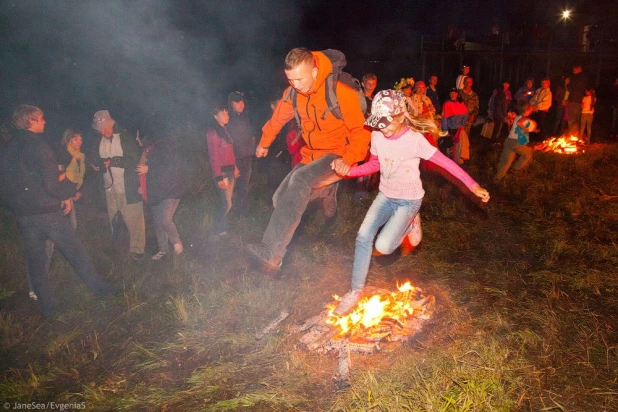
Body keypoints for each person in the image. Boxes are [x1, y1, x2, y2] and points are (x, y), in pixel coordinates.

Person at [333, 90, 490, 315]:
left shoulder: (414, 140)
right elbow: (375, 165)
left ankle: (411, 220)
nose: (382, 128)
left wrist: (473, 186)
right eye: (378, 123)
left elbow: (447, 164)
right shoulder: (377, 136)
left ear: (400, 117)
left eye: (386, 123)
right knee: (363, 236)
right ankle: (355, 292)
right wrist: (349, 171)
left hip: (409, 200)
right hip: (385, 195)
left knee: (384, 246)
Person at [247, 47, 370, 271]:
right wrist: (264, 142)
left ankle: (272, 253)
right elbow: (278, 119)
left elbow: (361, 132)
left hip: (338, 154)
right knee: (280, 200)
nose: (295, 84)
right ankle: (326, 190)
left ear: (314, 70)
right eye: (290, 79)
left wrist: (349, 158)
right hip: (312, 155)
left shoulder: (340, 91)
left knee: (301, 181)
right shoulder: (293, 92)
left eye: (300, 78)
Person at [0, 105, 112, 315]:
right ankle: (102, 290)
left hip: (24, 215)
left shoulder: (7, 148)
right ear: (31, 121)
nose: (45, 122)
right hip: (48, 213)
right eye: (41, 119)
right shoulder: (39, 147)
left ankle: (47, 306)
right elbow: (52, 186)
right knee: (75, 252)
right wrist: (71, 188)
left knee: (36, 259)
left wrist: (17, 205)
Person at [90, 110, 145, 260]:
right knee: (113, 218)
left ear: (111, 123)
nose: (103, 132)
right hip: (109, 187)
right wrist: (95, 164)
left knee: (134, 218)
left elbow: (134, 159)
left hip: (128, 185)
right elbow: (93, 156)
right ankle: (118, 246)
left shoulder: (125, 137)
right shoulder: (98, 140)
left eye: (105, 128)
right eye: (100, 129)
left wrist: (114, 161)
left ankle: (137, 249)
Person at [136, 131, 187, 260]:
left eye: (138, 137)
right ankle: (163, 250)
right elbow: (142, 172)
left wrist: (149, 169)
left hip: (170, 190)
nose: (136, 140)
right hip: (155, 191)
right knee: (158, 222)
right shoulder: (146, 151)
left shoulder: (162, 147)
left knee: (164, 219)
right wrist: (142, 186)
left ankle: (177, 243)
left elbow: (169, 167)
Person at [207, 104, 240, 237]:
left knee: (227, 202)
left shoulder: (225, 130)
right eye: (223, 113)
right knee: (227, 203)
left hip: (230, 171)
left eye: (227, 113)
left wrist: (235, 167)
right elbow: (213, 157)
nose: (227, 116)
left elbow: (230, 152)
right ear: (215, 116)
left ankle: (223, 226)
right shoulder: (212, 132)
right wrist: (219, 177)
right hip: (222, 172)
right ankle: (217, 229)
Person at [227, 91, 255, 219]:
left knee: (244, 187)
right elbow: (229, 145)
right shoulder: (229, 121)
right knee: (232, 189)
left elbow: (251, 136)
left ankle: (241, 214)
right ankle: (228, 214)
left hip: (247, 158)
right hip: (236, 160)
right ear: (231, 104)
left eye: (242, 101)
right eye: (237, 102)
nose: (241, 104)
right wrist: (234, 165)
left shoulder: (245, 117)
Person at [493, 101, 536, 183]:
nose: (531, 110)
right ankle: (516, 168)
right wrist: (526, 128)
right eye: (530, 109)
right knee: (528, 152)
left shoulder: (518, 116)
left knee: (506, 161)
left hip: (509, 141)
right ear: (526, 111)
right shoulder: (523, 119)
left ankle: (497, 178)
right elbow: (521, 124)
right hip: (516, 142)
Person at [58, 128, 86, 230]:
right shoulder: (64, 155)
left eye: (81, 139)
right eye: (76, 139)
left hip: (70, 194)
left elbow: (81, 176)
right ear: (68, 140)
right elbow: (59, 177)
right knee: (65, 226)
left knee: (71, 226)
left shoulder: (80, 156)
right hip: (62, 194)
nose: (79, 142)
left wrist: (78, 191)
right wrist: (67, 194)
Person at [568, 65, 588, 135]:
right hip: (578, 101)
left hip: (574, 101)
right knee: (576, 119)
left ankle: (572, 135)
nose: (573, 71)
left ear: (579, 69)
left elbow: (571, 88)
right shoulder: (584, 78)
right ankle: (575, 135)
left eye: (574, 69)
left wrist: (568, 84)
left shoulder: (576, 78)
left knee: (572, 119)